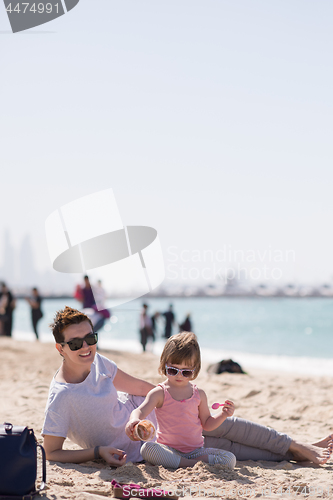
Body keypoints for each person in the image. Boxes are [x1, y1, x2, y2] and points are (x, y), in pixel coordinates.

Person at [42, 306, 333, 466]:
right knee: (236, 449)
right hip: (163, 446)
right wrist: (98, 452)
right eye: (76, 343)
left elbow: (142, 389)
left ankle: (298, 445)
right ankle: (296, 452)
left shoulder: (100, 363)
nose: (86, 347)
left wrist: (169, 397)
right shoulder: (61, 398)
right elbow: (52, 453)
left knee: (233, 426)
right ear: (60, 348)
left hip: (168, 415)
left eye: (91, 339)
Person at [125, 332, 236, 469]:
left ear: (195, 369)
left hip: (196, 452)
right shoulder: (160, 393)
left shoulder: (199, 394)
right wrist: (133, 420)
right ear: (164, 365)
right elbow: (140, 411)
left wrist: (224, 414)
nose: (179, 375)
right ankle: (191, 465)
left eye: (186, 372)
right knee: (147, 449)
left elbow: (207, 424)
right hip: (168, 450)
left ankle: (183, 463)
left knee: (230, 459)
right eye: (173, 370)